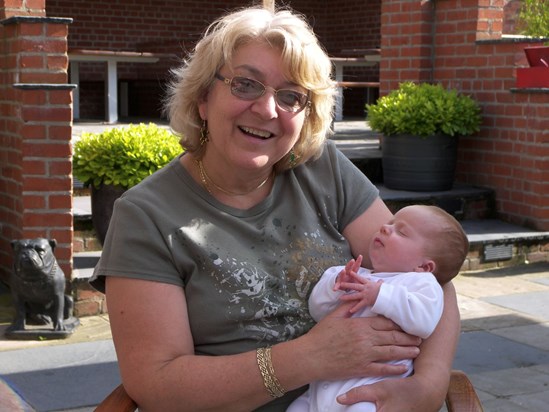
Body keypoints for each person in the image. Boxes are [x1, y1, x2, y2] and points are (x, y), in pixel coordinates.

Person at [90, 6, 461, 412]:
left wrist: (426, 385)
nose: (268, 110)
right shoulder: (146, 216)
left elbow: (427, 272)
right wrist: (308, 357)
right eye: (246, 85)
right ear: (202, 99)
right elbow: (156, 384)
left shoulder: (323, 170)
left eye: (290, 97)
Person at [287, 205, 469, 411]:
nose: (384, 227)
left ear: (424, 267)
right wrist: (335, 285)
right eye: (390, 223)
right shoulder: (360, 274)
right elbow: (317, 310)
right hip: (318, 392)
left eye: (401, 231)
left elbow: (424, 322)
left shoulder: (421, 284)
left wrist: (380, 295)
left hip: (368, 393)